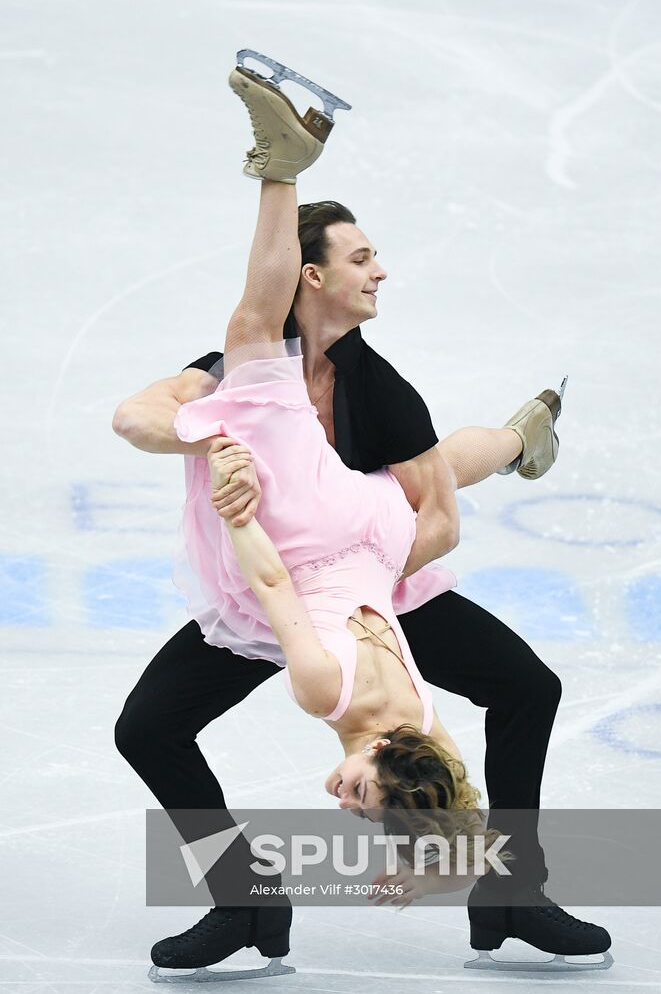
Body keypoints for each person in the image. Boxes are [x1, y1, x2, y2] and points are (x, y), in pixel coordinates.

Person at [113, 58, 611, 975]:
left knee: (525, 684)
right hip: (288, 589)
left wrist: (360, 587)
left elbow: (437, 521)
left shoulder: (381, 392)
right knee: (147, 729)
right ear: (312, 275)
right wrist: (206, 440)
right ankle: (242, 897)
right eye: (361, 258)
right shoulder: (239, 372)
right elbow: (137, 416)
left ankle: (515, 891)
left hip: (362, 582)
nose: (380, 271)